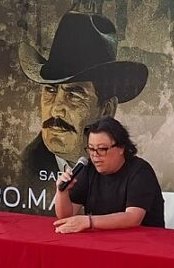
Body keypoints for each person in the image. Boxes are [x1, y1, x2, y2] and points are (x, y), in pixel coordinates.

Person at [18, 10, 148, 190]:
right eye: (50, 90)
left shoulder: (128, 172)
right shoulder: (20, 172)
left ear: (107, 109)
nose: (56, 109)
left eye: (74, 95)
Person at [53, 117, 164, 233]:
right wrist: (62, 192)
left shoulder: (140, 171)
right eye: (91, 149)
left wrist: (89, 222)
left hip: (142, 239)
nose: (95, 155)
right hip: (100, 238)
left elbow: (133, 218)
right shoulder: (88, 169)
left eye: (102, 149)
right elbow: (66, 217)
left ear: (121, 148)